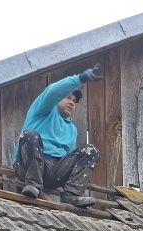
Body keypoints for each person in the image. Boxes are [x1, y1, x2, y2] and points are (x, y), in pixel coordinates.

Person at [13, 65, 103, 207]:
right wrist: (80, 78)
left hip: (53, 171)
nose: (72, 102)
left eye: (74, 101)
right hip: (28, 166)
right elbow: (53, 91)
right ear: (57, 99)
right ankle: (33, 185)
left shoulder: (72, 129)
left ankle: (71, 195)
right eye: (68, 97)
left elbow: (67, 159)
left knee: (90, 151)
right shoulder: (43, 109)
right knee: (30, 135)